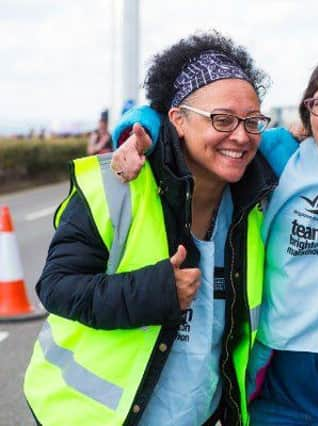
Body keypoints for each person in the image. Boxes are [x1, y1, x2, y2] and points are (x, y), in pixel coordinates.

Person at [109, 52, 318, 425]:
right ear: (307, 111)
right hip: (280, 373)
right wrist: (132, 131)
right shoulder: (282, 154)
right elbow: (183, 118)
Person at [23, 30, 275, 426]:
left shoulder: (256, 200)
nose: (241, 136)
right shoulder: (118, 185)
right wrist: (156, 291)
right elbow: (56, 286)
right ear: (177, 120)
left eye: (253, 121)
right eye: (222, 120)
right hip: (90, 416)